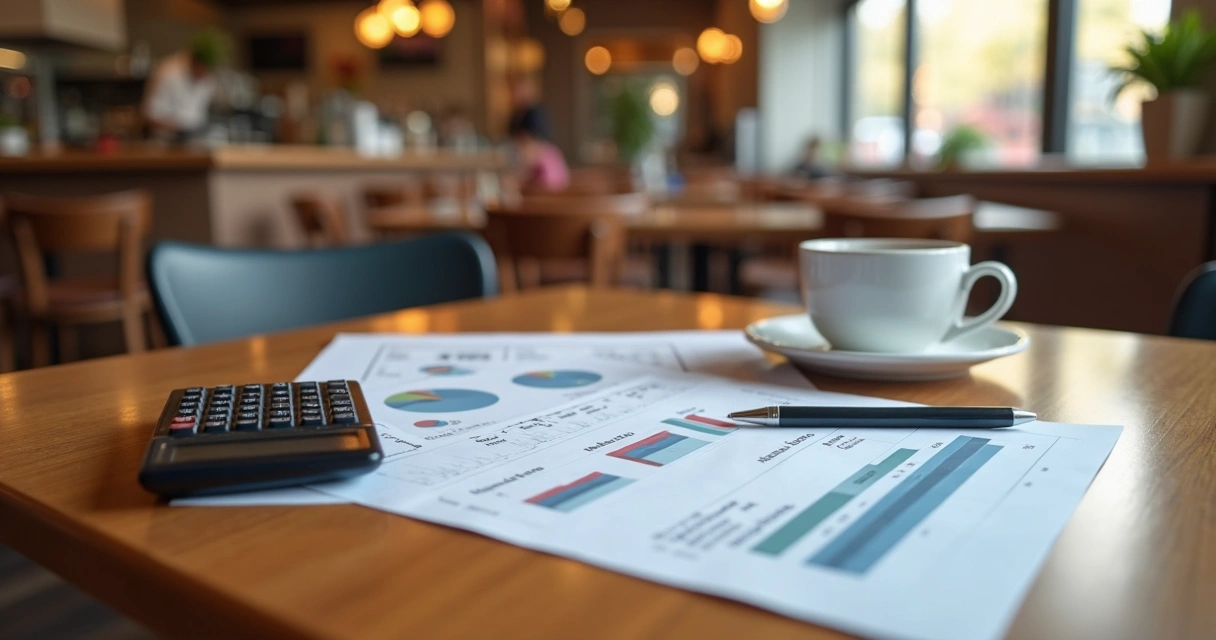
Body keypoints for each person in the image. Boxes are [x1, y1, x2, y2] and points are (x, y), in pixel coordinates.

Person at [143, 29, 227, 141]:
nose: (207, 74)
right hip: (165, 143)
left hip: (195, 141)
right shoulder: (167, 72)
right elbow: (149, 116)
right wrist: (180, 129)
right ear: (195, 60)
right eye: (205, 68)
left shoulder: (207, 79)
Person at [511, 114, 569, 193]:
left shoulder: (534, 150)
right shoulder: (551, 149)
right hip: (561, 194)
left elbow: (526, 175)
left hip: (545, 194)